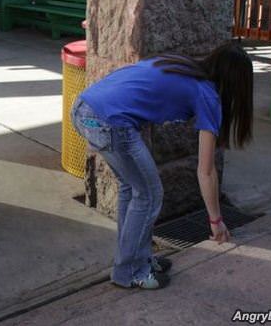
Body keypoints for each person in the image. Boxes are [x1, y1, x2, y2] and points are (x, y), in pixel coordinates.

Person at [72, 42, 253, 290]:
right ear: (238, 86)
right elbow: (206, 170)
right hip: (110, 122)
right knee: (148, 194)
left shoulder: (178, 65)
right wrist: (215, 220)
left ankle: (139, 259)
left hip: (85, 108)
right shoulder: (207, 95)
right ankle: (128, 272)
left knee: (132, 189)